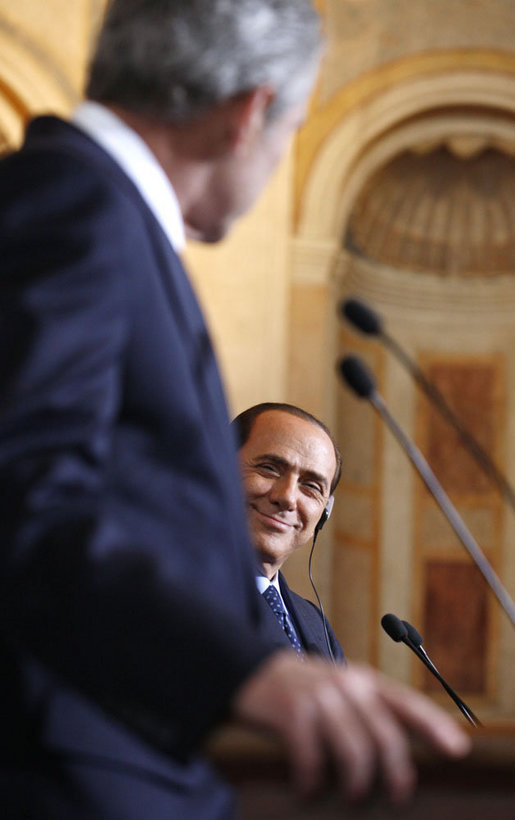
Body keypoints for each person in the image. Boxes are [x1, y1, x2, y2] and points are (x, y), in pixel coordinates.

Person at [0, 1, 469, 817]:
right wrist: (248, 668)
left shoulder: (88, 210)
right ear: (249, 112)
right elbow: (24, 492)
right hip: (65, 778)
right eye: (290, 132)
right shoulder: (74, 206)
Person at [233, 402, 345, 662]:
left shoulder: (315, 624)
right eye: (269, 468)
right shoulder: (170, 589)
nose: (287, 497)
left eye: (311, 486)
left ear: (324, 513)